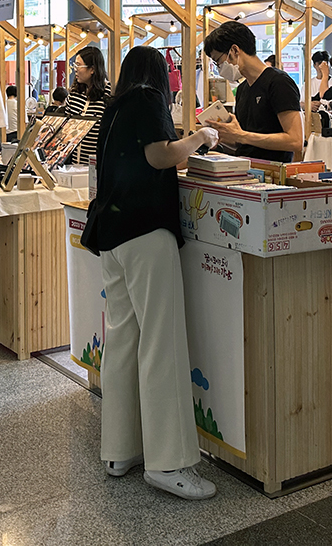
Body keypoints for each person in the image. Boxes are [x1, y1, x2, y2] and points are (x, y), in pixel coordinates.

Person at [92, 45, 220, 501]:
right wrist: (201, 136)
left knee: (123, 339)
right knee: (162, 342)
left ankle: (120, 449)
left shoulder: (115, 106)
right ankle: (168, 463)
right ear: (159, 74)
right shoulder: (148, 99)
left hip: (112, 233)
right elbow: (162, 156)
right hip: (147, 231)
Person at [202, 21, 304, 163]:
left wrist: (241, 135)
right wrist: (223, 136)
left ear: (235, 50)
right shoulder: (243, 89)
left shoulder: (278, 82)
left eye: (218, 61)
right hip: (243, 170)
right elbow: (244, 141)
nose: (219, 68)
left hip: (272, 174)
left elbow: (295, 140)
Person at [64, 45, 111, 165]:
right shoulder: (74, 94)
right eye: (74, 65)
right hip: (74, 163)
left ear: (92, 69)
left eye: (79, 65)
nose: (75, 69)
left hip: (99, 163)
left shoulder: (108, 93)